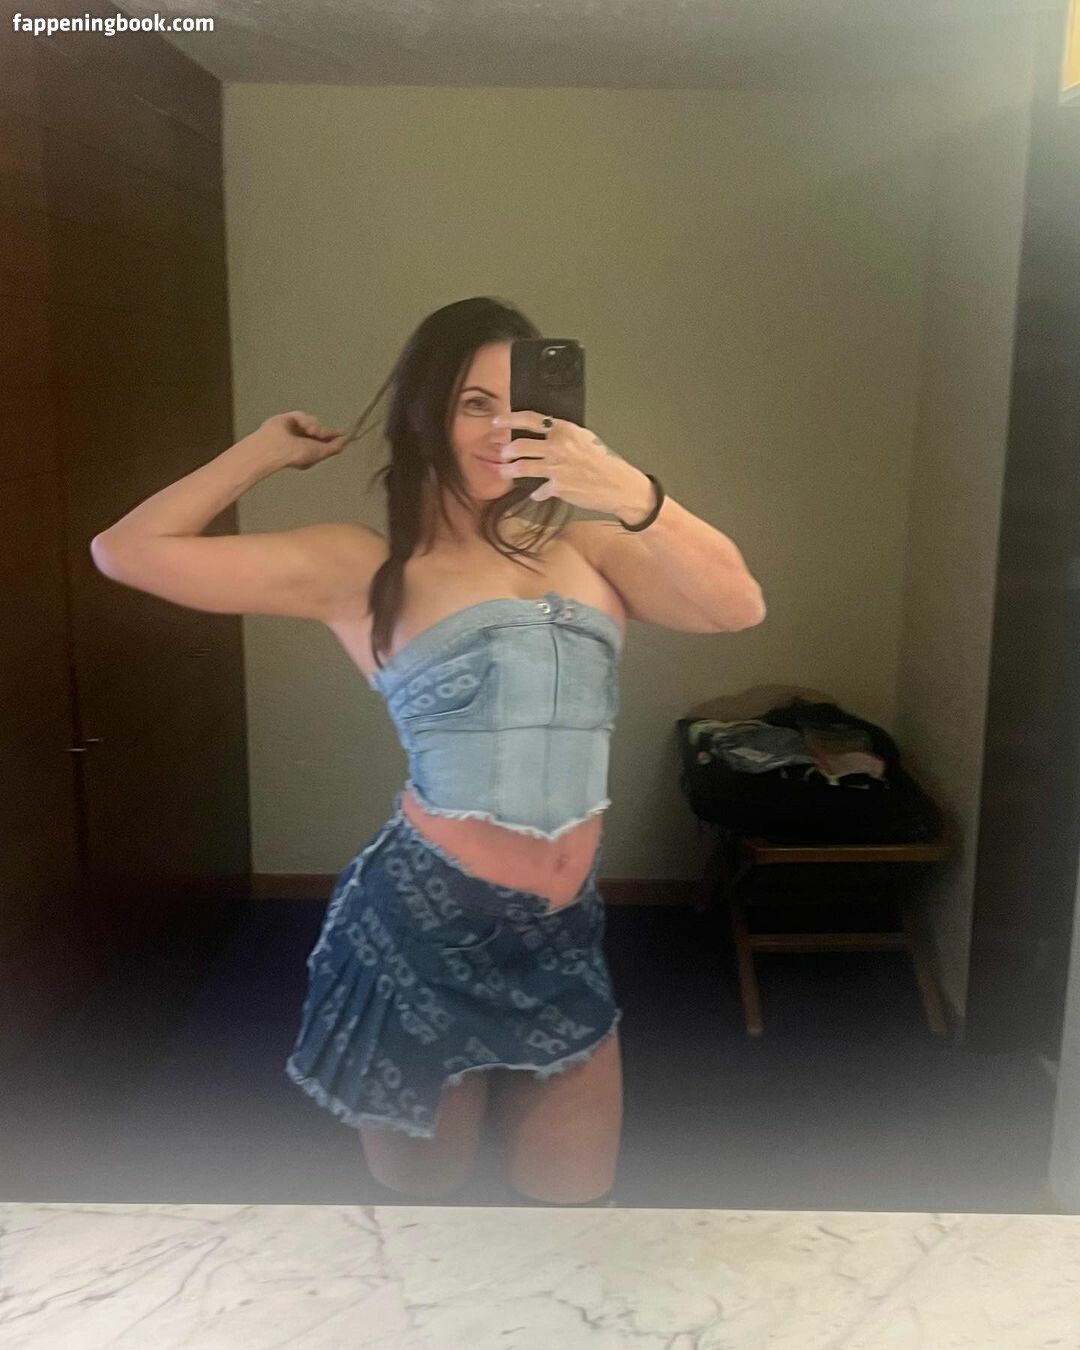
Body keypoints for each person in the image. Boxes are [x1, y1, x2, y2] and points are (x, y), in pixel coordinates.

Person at [89, 296, 766, 1206]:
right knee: (425, 1221)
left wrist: (630, 492)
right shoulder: (364, 568)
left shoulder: (596, 549)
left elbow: (736, 605)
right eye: (472, 403)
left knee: (572, 1216)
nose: (499, 429)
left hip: (563, 935)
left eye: (518, 406)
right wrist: (263, 451)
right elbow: (126, 551)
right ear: (424, 415)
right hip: (420, 932)